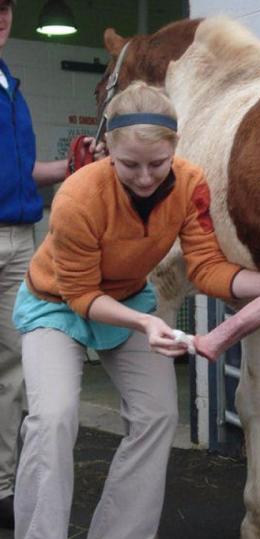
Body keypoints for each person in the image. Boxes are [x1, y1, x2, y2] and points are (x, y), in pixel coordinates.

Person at [12, 79, 260, 539]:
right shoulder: (77, 196)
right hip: (57, 307)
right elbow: (80, 295)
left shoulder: (191, 183)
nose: (146, 177)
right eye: (130, 164)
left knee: (158, 416)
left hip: (129, 300)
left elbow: (208, 266)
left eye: (158, 163)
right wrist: (145, 322)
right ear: (109, 151)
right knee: (53, 416)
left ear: (176, 147)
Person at [0, 0, 105, 529]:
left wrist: (69, 167)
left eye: (3, 8)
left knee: (15, 367)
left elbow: (21, 174)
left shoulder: (9, 86)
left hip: (21, 237)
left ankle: (2, 482)